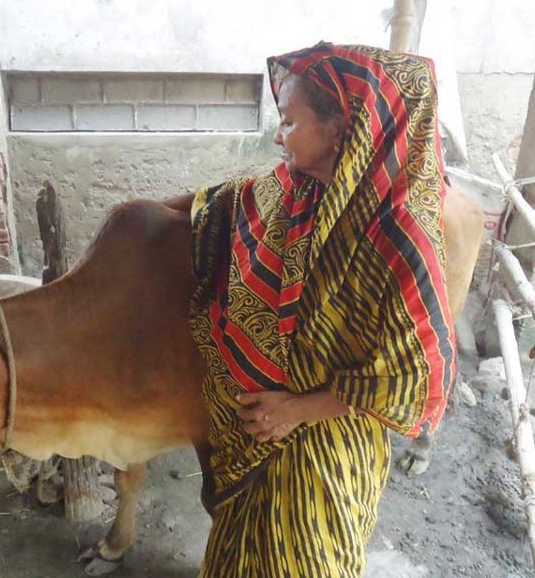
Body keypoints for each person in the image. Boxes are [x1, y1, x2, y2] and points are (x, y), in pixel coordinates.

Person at [180, 42, 457, 577]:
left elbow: (418, 379)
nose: (277, 136)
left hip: (325, 452)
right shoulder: (299, 192)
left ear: (337, 132)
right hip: (261, 437)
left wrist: (295, 409)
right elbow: (228, 202)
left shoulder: (399, 237)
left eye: (289, 123)